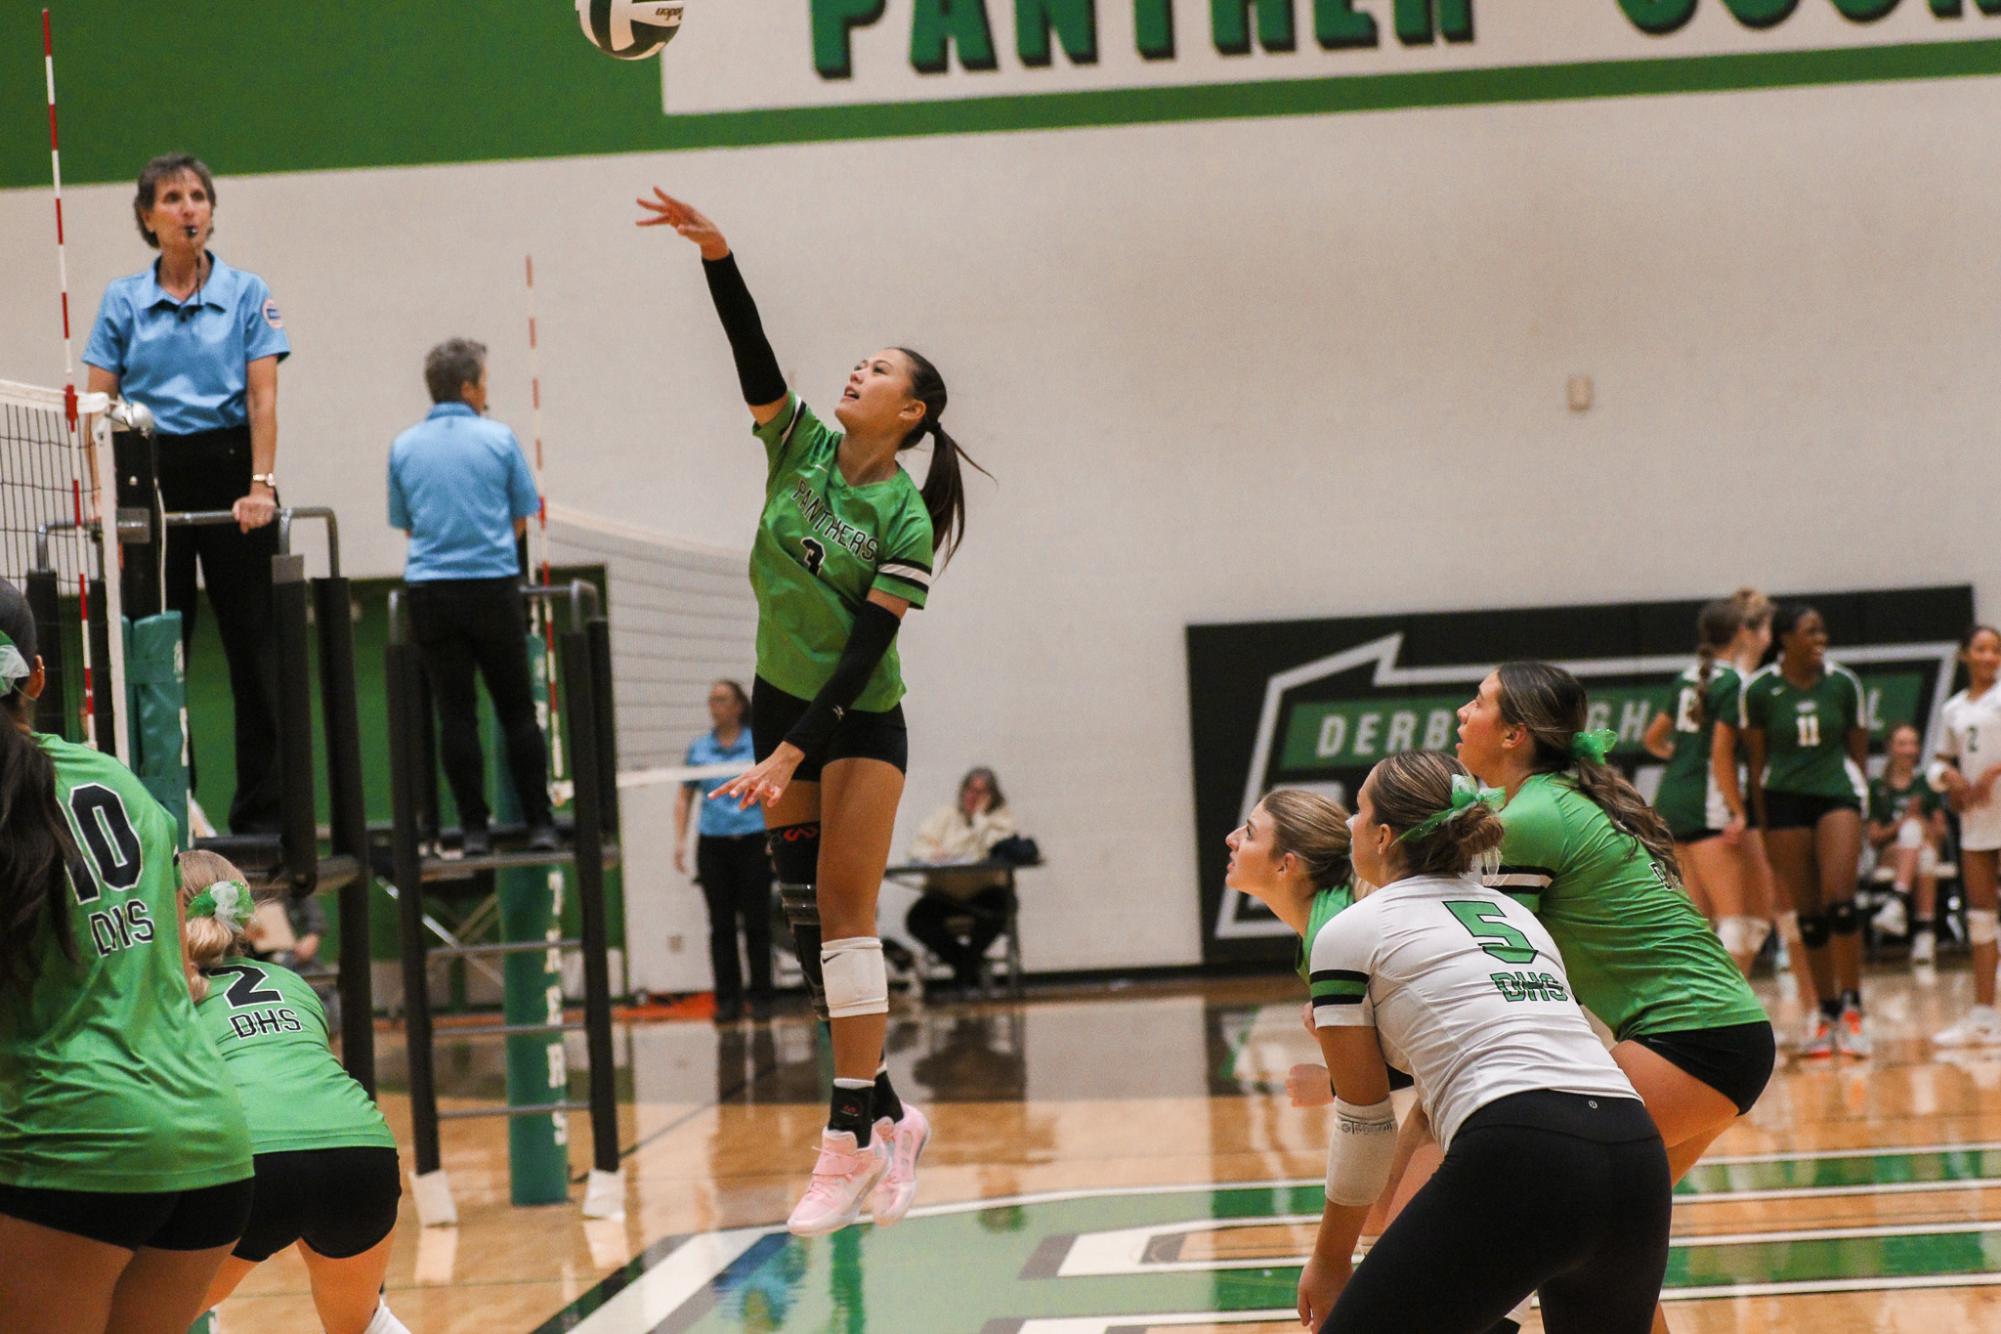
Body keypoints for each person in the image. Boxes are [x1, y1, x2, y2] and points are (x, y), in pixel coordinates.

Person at [637, 187, 985, 1236]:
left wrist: (790, 749)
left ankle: (844, 1144)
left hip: (857, 723)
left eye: (880, 370)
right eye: (861, 361)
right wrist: (718, 255)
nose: (858, 372)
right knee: (805, 943)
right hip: (784, 715)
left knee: (844, 921)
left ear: (912, 412)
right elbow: (754, 356)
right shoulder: (799, 449)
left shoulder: (903, 519)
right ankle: (894, 1118)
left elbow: (867, 650)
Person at [1297, 750, 1670, 1333]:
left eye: (1360, 810)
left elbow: (1364, 1122)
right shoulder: (1518, 918)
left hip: (1520, 1146)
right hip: (1633, 1148)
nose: (1349, 824)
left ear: (1384, 835)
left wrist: (1328, 1258)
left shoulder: (1350, 930)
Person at [1456, 662, 1772, 1334]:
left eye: (1477, 702)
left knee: (1550, 1214)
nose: (1461, 713)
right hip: (1718, 1034)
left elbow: (1496, 974)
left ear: (1514, 734)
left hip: (1690, 1041)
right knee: (1598, 1249)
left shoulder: (1531, 817)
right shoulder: (1565, 800)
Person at [0, 578, 256, 1334]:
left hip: (72, 1143)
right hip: (208, 1141)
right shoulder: (117, 780)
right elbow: (178, 967)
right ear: (38, 677)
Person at [83, 152, 289, 833]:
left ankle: (261, 815)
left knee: (254, 651)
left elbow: (263, 398)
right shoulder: (122, 300)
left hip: (232, 474)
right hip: (150, 473)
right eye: (171, 198)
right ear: (148, 217)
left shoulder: (247, 291)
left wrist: (260, 486)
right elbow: (96, 406)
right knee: (158, 652)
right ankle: (175, 811)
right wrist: (105, 504)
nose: (188, 208)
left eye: (198, 196)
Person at [175, 850, 407, 1334]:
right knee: (362, 1325)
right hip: (362, 1152)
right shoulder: (290, 982)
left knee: (135, 1318)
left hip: (258, 1161)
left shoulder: (170, 995)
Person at [388, 337, 557, 857]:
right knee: (517, 712)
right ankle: (540, 824)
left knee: (455, 715)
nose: (487, 392)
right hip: (492, 588)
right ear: (467, 387)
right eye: (484, 382)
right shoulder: (499, 439)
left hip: (431, 593)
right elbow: (521, 519)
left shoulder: (404, 446)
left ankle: (474, 830)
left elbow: (408, 527)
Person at [1738, 605, 1871, 1058]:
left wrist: (1862, 807)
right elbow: (1756, 766)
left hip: (1837, 794)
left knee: (1840, 901)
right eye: (1811, 631)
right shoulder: (1760, 690)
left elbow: (1858, 753)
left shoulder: (1843, 683)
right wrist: (1762, 825)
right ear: (1785, 638)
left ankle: (1854, 1009)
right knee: (1808, 914)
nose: (1821, 638)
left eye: (1822, 629)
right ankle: (1826, 1012)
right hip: (1783, 800)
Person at [1643, 598, 1773, 974]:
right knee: (1735, 922)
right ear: (1741, 634)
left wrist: (1682, 757)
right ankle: (1727, 1016)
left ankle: (1692, 1012)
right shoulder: (1731, 681)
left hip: (1671, 799)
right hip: (1707, 804)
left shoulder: (1686, 675)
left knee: (1697, 924)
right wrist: (1739, 810)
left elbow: (1653, 738)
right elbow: (1720, 754)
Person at [674, 679, 773, 1022]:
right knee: (721, 925)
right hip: (714, 845)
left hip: (754, 840)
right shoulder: (699, 749)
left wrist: (776, 837)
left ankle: (762, 998)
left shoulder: (757, 743)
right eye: (711, 699)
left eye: (721, 699)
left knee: (758, 923)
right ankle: (727, 1001)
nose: (714, 705)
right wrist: (680, 841)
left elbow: (773, 789)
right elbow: (685, 795)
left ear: (738, 705)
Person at [1931, 626, 2001, 1046]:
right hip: (1977, 822)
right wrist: (1950, 777)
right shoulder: (1954, 709)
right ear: (1965, 656)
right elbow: (1937, 762)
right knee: (1980, 919)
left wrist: (1992, 773)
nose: (1989, 656)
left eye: (1996, 650)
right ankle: (1982, 1014)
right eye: (1981, 649)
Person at [904, 767, 1018, 996]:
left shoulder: (1000, 819)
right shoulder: (946, 815)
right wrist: (932, 854)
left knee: (1000, 909)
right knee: (916, 920)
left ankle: (964, 975)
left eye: (980, 792)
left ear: (992, 796)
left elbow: (988, 849)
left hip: (984, 893)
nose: (972, 797)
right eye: (969, 790)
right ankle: (971, 967)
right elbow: (917, 848)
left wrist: (978, 818)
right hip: (945, 895)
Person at [1866, 722, 1948, 968]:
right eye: (1902, 743)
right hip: (1890, 853)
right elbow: (1874, 837)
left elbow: (1940, 832)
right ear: (1890, 748)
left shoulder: (1927, 785)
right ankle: (1925, 933)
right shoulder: (1877, 787)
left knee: (1923, 850)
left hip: (1925, 850)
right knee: (1912, 835)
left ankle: (1897, 902)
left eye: (1913, 743)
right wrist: (1903, 822)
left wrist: (1918, 819)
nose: (1909, 750)